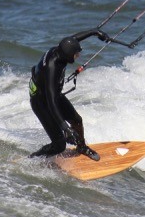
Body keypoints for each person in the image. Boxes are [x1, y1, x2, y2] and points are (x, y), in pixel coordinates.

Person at [28, 29, 111, 161]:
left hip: (52, 94)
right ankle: (33, 159)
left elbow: (73, 39)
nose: (78, 55)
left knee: (77, 120)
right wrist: (65, 127)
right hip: (41, 101)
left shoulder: (61, 50)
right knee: (59, 145)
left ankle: (82, 147)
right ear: (68, 54)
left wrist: (95, 32)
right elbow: (51, 102)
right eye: (76, 54)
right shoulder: (52, 68)